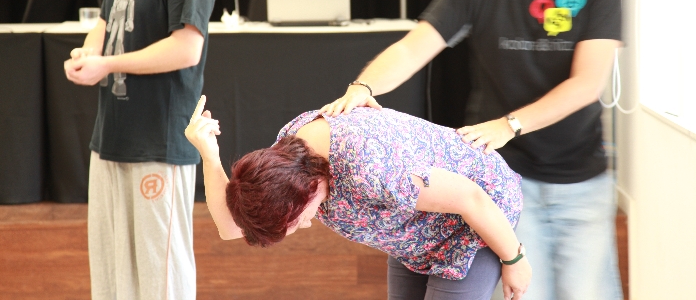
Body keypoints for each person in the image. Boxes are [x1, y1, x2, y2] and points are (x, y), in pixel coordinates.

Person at [321, 0, 623, 300]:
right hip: (502, 179)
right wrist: (363, 87)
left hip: (580, 181)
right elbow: (412, 49)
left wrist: (510, 124)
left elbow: (587, 83)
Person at [186, 95, 531, 300]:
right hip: (413, 233)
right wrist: (210, 155)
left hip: (473, 222)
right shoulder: (286, 156)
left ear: (306, 192)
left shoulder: (368, 166)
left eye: (296, 221)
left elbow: (471, 198)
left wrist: (514, 259)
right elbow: (231, 228)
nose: (303, 227)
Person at [64, 0, 216, 300]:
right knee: (111, 273)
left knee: (159, 275)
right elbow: (105, 21)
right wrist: (88, 52)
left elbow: (186, 49)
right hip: (112, 139)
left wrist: (107, 64)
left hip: (159, 145)